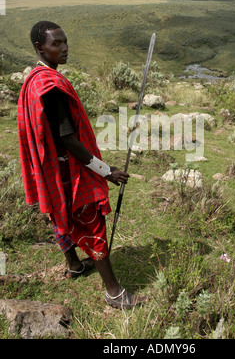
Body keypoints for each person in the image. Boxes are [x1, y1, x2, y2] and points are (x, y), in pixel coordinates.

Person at [17, 21, 146, 310]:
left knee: (60, 214)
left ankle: (74, 265)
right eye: (56, 44)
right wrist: (106, 170)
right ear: (40, 48)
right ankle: (114, 294)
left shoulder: (34, 79)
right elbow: (67, 139)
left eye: (65, 42)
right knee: (92, 224)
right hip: (68, 170)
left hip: (50, 168)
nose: (64, 49)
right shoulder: (50, 87)